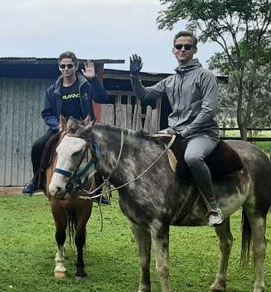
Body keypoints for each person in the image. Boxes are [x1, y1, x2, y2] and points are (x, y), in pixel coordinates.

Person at [130, 31, 224, 226]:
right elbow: (143, 95)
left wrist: (187, 131)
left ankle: (213, 207)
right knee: (145, 150)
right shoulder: (170, 81)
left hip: (202, 133)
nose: (182, 49)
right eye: (178, 46)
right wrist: (134, 75)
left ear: (194, 50)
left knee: (193, 158)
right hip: (175, 131)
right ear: (173, 50)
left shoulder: (206, 76)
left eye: (187, 46)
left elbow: (210, 110)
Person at [22, 51, 112, 205]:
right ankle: (36, 181)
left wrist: (93, 80)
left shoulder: (86, 86)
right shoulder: (52, 90)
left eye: (69, 66)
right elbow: (47, 113)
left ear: (76, 67)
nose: (66, 69)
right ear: (59, 68)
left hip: (83, 130)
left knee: (99, 150)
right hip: (62, 128)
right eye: (62, 66)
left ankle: (98, 191)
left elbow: (103, 98)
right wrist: (57, 126)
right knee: (37, 146)